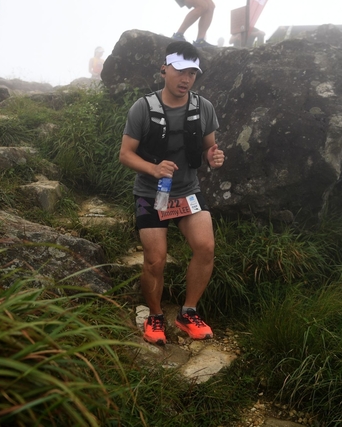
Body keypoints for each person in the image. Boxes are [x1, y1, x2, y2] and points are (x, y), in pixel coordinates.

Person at [119, 41, 225, 345]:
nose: (186, 79)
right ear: (164, 69)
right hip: (151, 194)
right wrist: (153, 169)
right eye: (180, 71)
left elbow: (209, 148)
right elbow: (125, 154)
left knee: (205, 247)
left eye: (192, 73)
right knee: (156, 260)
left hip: (187, 190)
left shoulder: (203, 107)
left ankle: (188, 312)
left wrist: (213, 157)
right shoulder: (143, 108)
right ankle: (154, 316)